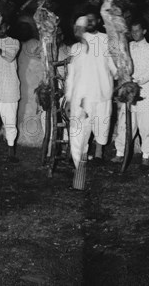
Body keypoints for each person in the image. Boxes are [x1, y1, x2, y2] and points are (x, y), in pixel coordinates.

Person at [65, 12, 117, 178]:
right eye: (80, 27)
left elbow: (115, 69)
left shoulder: (107, 40)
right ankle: (79, 173)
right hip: (81, 98)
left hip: (102, 94)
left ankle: (98, 155)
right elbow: (71, 76)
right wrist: (68, 98)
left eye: (92, 20)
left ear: (98, 21)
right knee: (78, 134)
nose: (86, 25)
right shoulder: (75, 48)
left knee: (102, 126)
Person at [112, 18, 149, 169]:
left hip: (146, 93)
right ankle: (120, 153)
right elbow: (122, 65)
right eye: (132, 31)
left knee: (147, 125)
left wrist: (133, 83)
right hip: (129, 92)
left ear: (144, 31)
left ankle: (145, 155)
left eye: (138, 30)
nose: (135, 33)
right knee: (125, 124)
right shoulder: (128, 47)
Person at [0, 21, 21, 162]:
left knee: (10, 122)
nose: (1, 29)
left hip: (9, 88)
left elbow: (10, 56)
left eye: (3, 26)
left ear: (8, 27)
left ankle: (11, 151)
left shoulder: (14, 42)